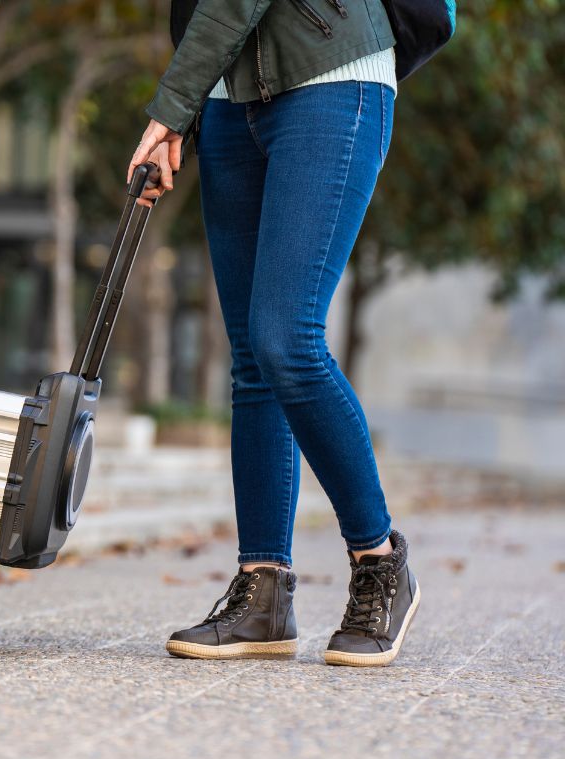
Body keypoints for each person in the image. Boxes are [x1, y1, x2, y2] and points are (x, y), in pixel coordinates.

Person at [128, 0, 418, 667]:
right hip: (233, 97)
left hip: (333, 76)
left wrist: (172, 105)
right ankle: (264, 592)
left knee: (288, 339)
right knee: (253, 360)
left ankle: (380, 560)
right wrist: (195, 108)